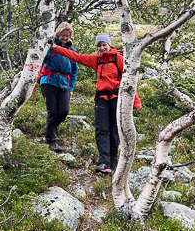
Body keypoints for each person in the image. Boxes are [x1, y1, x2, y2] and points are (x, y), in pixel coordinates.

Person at [52, 33, 140, 173]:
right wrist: (56, 48)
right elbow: (76, 57)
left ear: (109, 45)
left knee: (114, 130)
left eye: (104, 45)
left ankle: (112, 163)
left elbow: (130, 80)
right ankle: (104, 162)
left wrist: (136, 102)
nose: (102, 48)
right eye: (99, 46)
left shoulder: (118, 59)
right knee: (101, 129)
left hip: (117, 98)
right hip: (101, 98)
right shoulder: (96, 60)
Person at [39, 22, 78, 153]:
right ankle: (52, 141)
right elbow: (41, 59)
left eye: (67, 35)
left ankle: (49, 129)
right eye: (63, 35)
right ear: (58, 34)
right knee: (53, 111)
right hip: (49, 80)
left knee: (64, 111)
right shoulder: (50, 46)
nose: (65, 38)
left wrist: (71, 88)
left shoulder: (71, 51)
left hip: (64, 83)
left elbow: (74, 71)